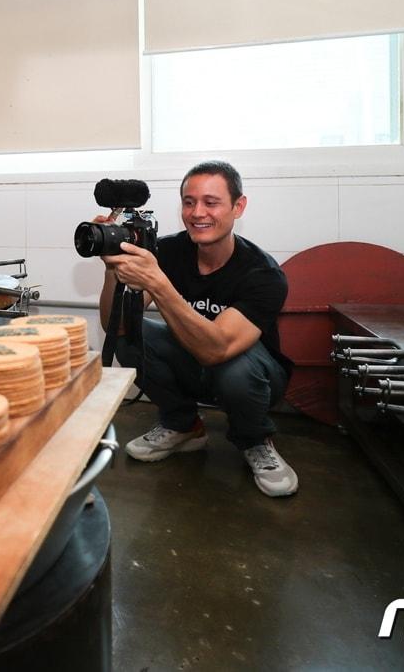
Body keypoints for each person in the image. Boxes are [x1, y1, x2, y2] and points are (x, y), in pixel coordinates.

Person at [98, 161, 298, 497]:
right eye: (189, 202)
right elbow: (113, 325)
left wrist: (159, 284)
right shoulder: (169, 251)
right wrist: (112, 268)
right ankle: (183, 425)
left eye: (211, 202)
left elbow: (216, 349)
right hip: (196, 364)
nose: (197, 213)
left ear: (238, 206)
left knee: (234, 367)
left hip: (252, 377)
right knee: (130, 335)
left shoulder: (263, 274)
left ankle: (255, 439)